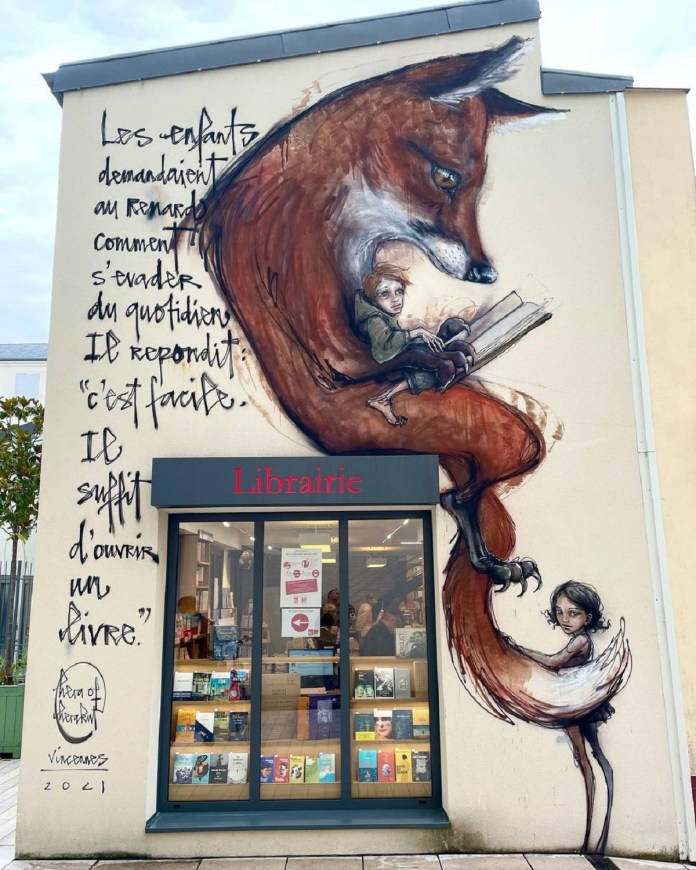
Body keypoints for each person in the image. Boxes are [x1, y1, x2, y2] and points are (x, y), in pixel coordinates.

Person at [354, 263, 474, 426]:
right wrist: (415, 333)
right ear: (373, 300)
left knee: (422, 349)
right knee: (425, 359)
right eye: (385, 294)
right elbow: (383, 352)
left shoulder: (380, 312)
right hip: (385, 365)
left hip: (396, 357)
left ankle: (446, 341)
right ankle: (384, 399)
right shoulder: (374, 319)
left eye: (399, 291)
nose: (395, 299)